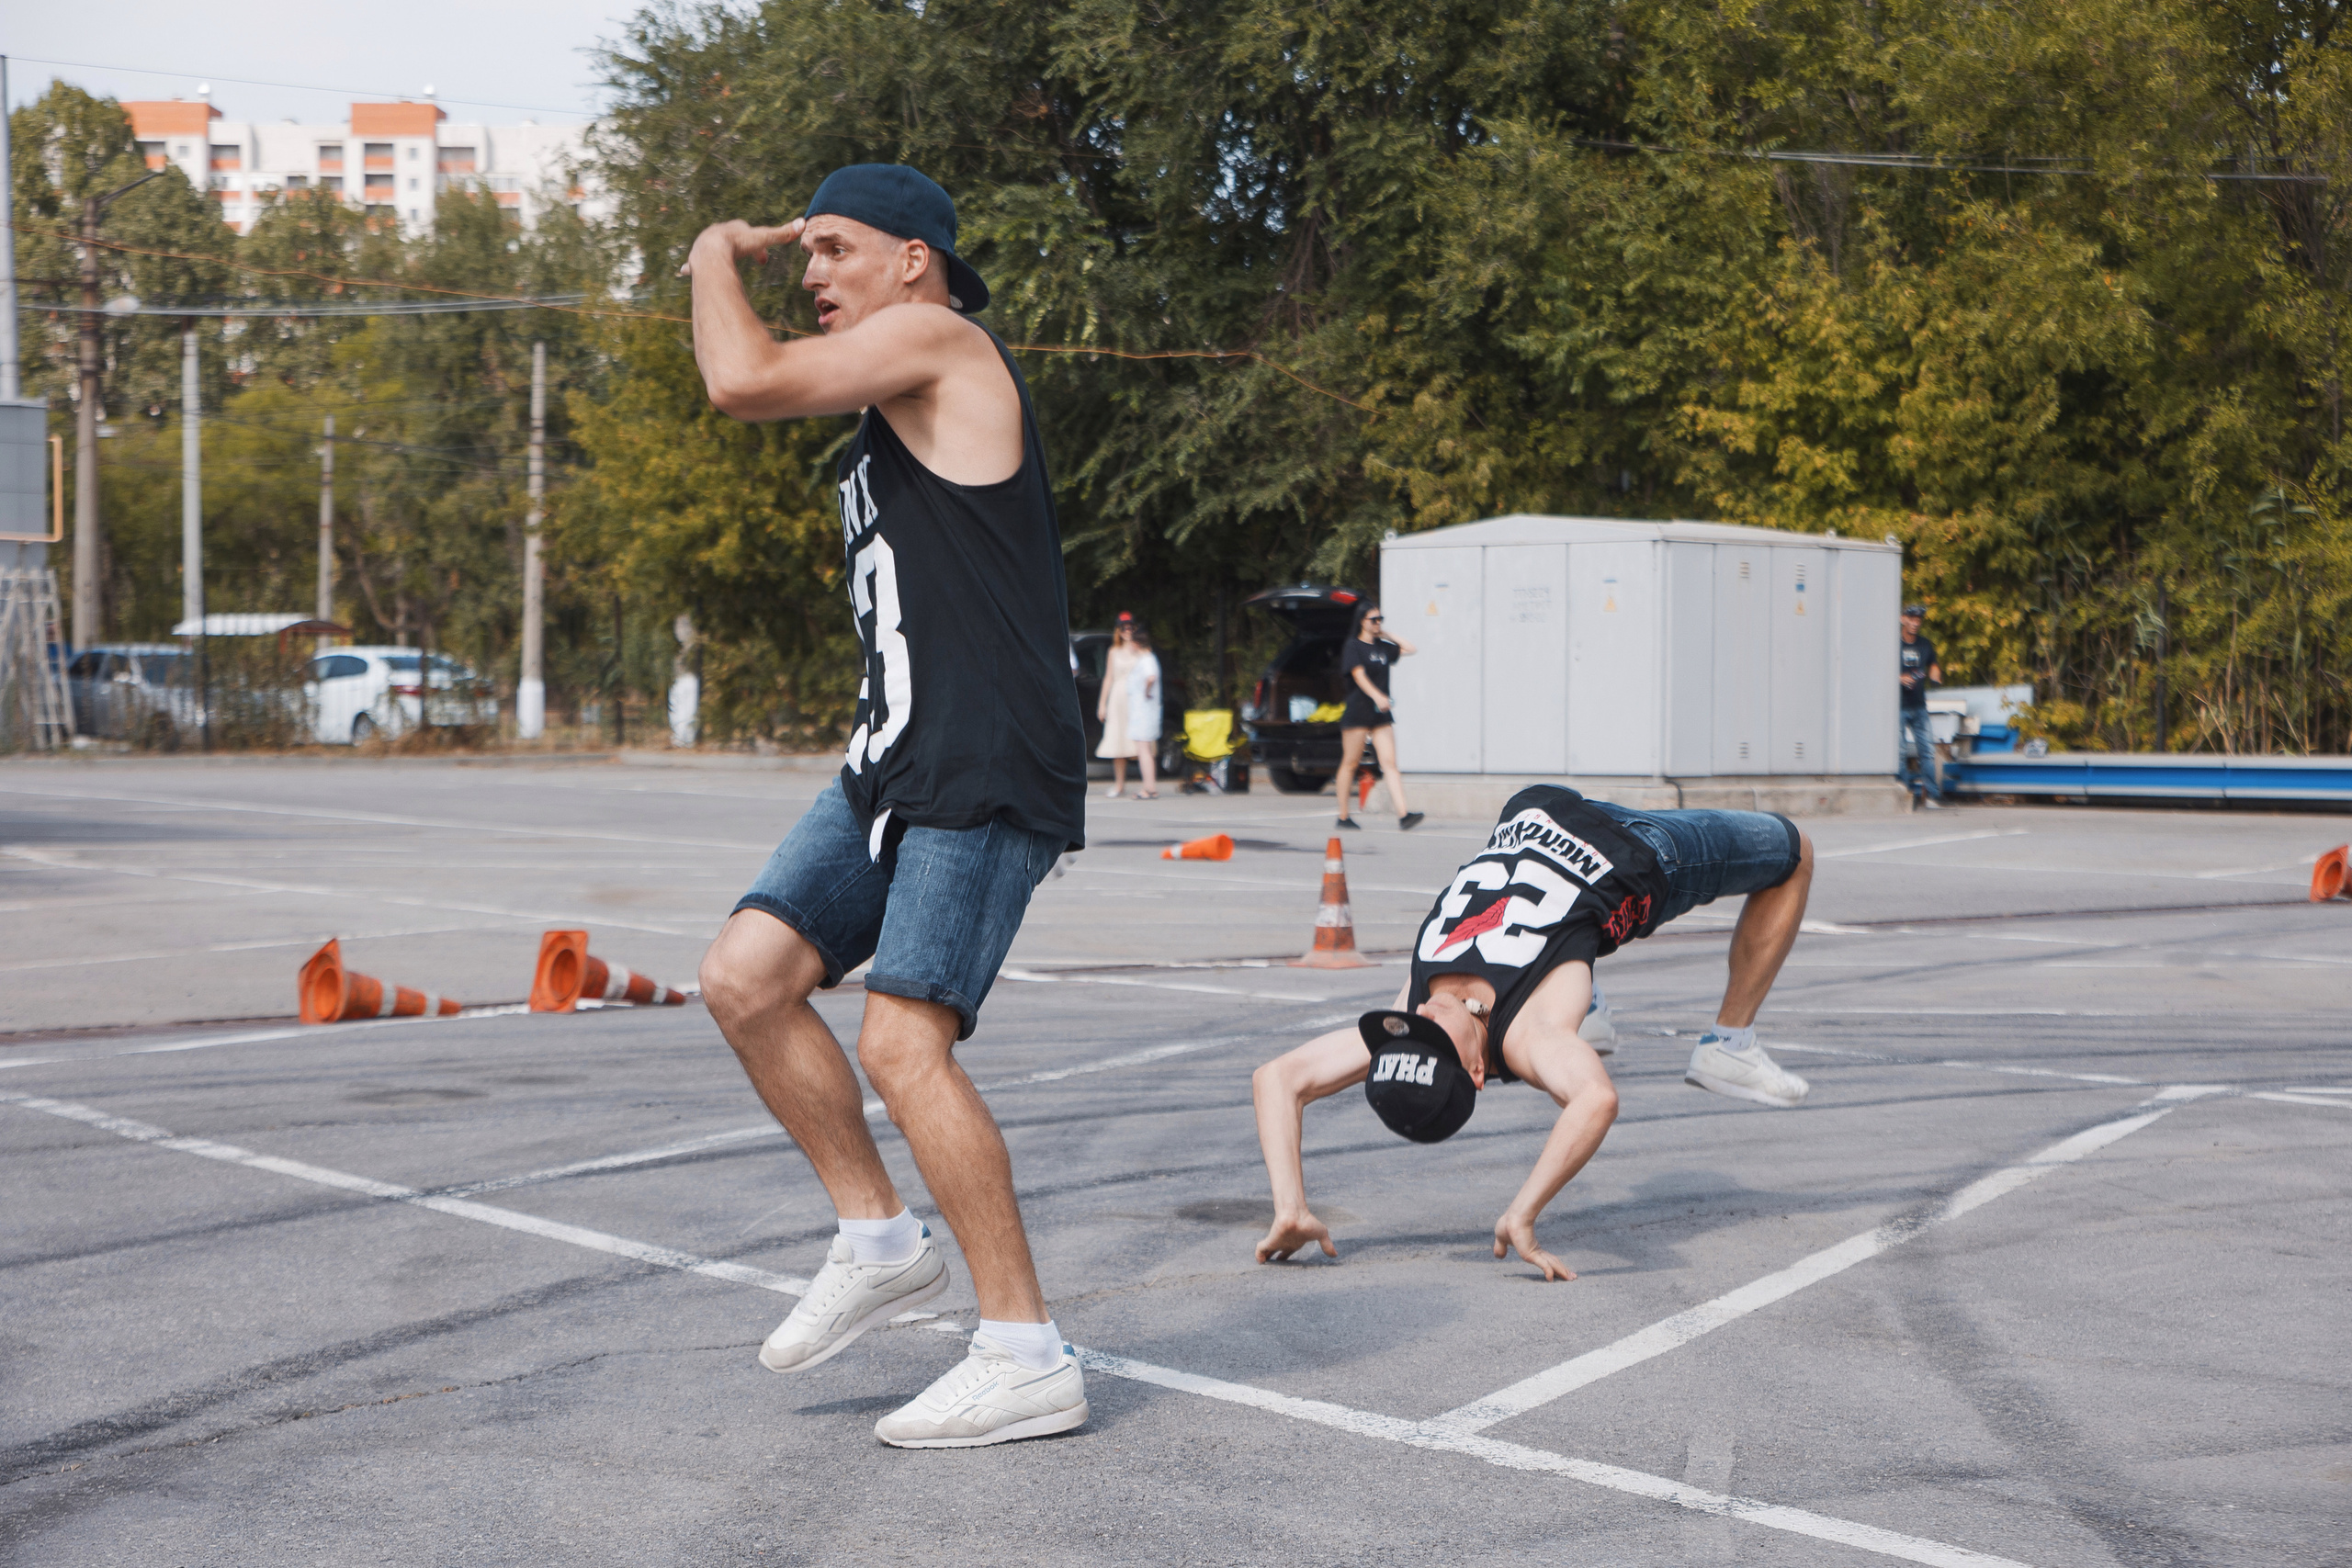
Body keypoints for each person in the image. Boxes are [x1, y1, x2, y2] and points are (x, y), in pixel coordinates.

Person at [684, 164, 1091, 1448]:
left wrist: (712, 254)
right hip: (893, 759)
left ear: (915, 259)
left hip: (985, 758)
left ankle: (1026, 1348)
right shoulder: (888, 390)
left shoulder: (938, 338)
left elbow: (738, 383)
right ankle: (878, 1234)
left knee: (906, 1044)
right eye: (803, 255)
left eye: (835, 249)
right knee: (747, 976)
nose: (810, 276)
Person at [1250, 784, 1815, 1280]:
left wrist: (1290, 1207)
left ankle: (1589, 998)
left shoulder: (1412, 1011)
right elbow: (1596, 1100)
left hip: (1530, 815)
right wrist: (1522, 1212)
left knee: (1563, 964)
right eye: (1431, 1034)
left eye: (1409, 1029)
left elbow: (1278, 1078)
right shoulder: (1528, 1035)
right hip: (1641, 849)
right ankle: (1728, 1044)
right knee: (1794, 851)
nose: (1423, 1014)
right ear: (1476, 1069)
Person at [1330, 602, 1424, 831]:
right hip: (1359, 712)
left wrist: (1387, 633)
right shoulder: (1353, 647)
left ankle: (1403, 814)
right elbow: (1359, 676)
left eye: (1380, 619)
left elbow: (1411, 648)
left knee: (1390, 763)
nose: (1378, 623)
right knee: (1351, 763)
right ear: (1362, 621)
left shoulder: (1383, 647)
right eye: (1373, 620)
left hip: (1380, 715)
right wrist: (1377, 696)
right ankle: (1343, 816)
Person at [1899, 603, 1943, 809]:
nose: (1915, 623)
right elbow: (1879, 667)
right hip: (1898, 706)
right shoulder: (1893, 644)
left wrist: (1935, 674)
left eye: (1918, 620)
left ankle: (1932, 796)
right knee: (1899, 751)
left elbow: (1933, 664)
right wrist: (1899, 677)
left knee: (1927, 751)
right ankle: (1905, 794)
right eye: (1911, 619)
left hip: (1919, 706)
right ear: (1903, 619)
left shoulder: (1925, 644)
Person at [1097, 613, 1141, 797]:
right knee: (1118, 741)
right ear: (1118, 630)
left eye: (1130, 626)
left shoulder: (1140, 649)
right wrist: (1102, 704)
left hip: (1136, 697)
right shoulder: (1113, 652)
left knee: (1141, 743)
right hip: (1117, 698)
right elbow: (1108, 678)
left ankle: (1146, 783)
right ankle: (1119, 784)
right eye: (1123, 627)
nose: (1127, 630)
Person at [1125, 625, 1163, 799]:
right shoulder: (1146, 659)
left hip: (1145, 711)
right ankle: (1149, 786)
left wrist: (1147, 691)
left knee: (1144, 750)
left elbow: (1151, 677)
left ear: (1136, 644)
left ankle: (1149, 787)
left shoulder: (1146, 659)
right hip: (1142, 710)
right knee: (1144, 750)